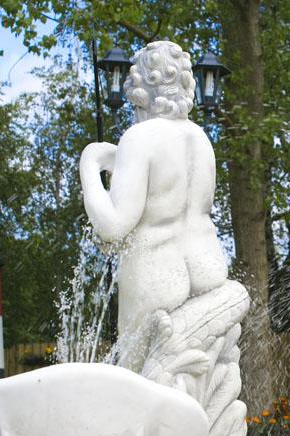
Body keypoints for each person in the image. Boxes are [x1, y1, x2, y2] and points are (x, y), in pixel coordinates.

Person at [80, 41, 227, 371]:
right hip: (209, 268)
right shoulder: (202, 140)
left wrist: (90, 162)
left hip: (156, 275)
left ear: (140, 90)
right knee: (200, 382)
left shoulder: (139, 137)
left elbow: (112, 227)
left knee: (138, 383)